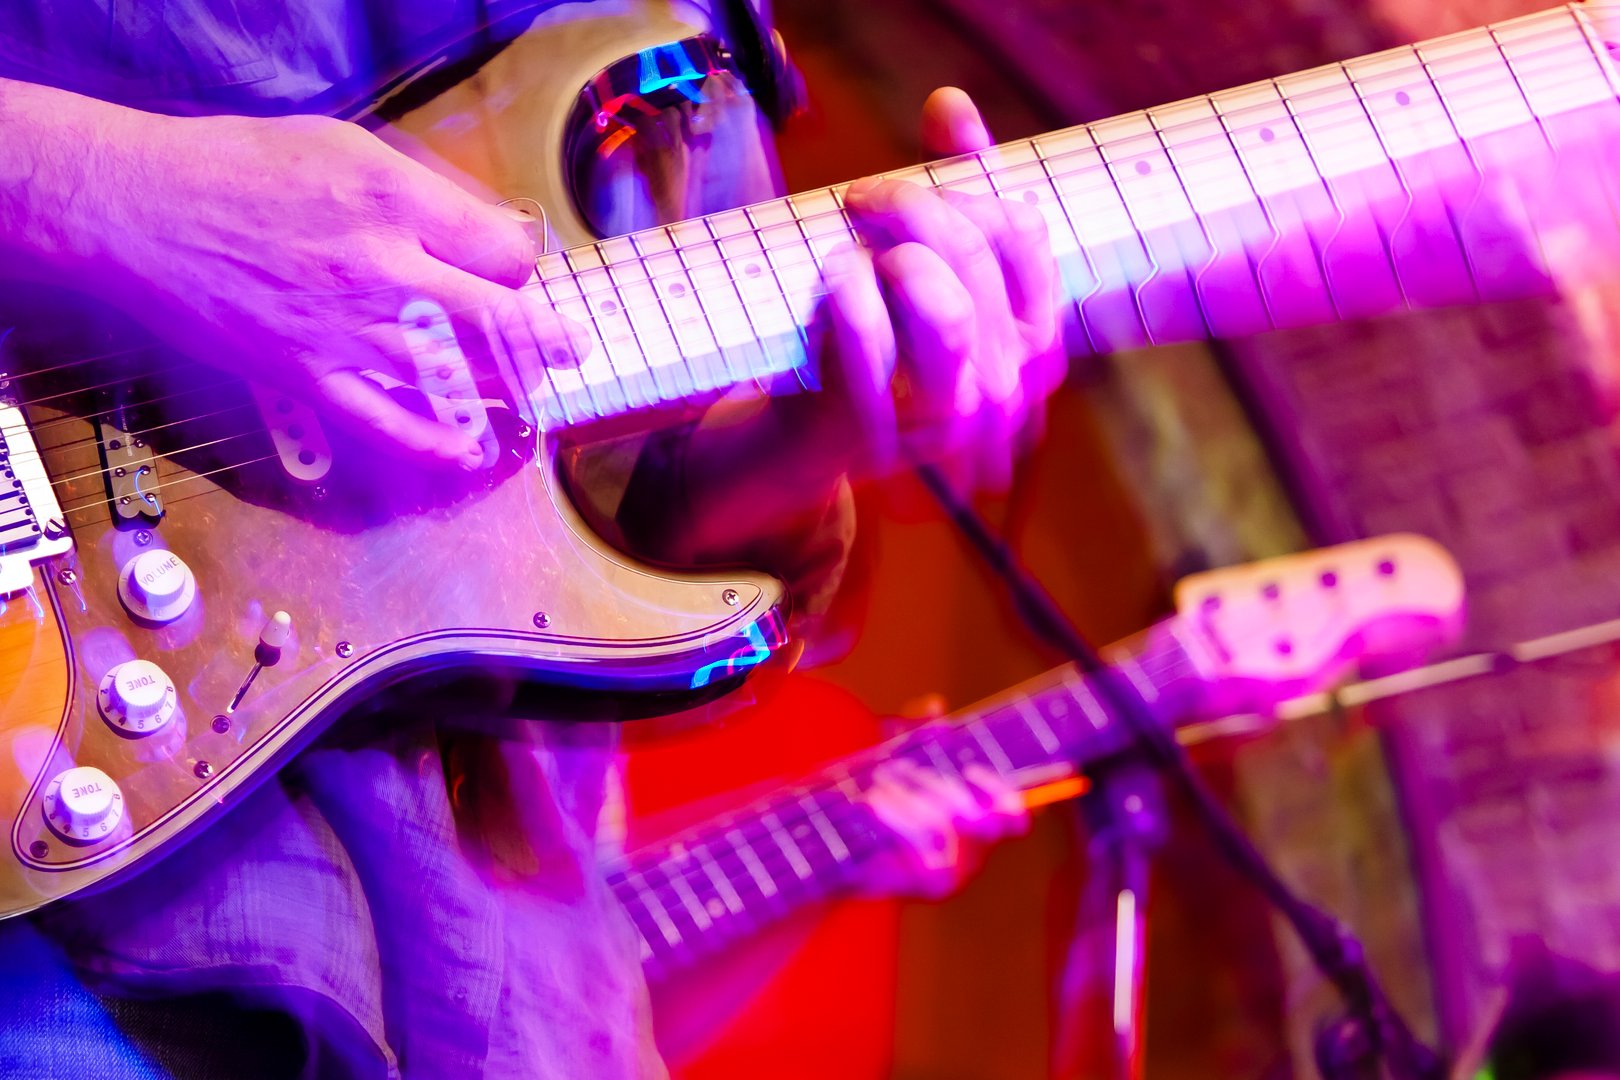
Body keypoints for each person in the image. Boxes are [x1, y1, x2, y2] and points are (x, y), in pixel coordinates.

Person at [0, 2, 1059, 1076]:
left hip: (494, 980)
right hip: (76, 898)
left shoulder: (692, 38)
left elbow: (628, 509)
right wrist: (89, 184)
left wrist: (813, 426)